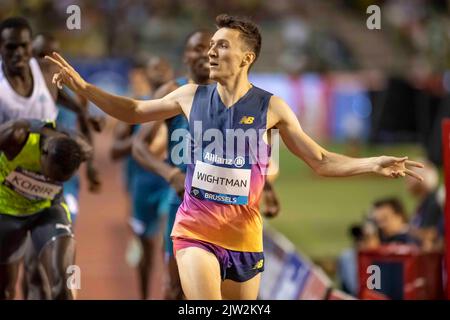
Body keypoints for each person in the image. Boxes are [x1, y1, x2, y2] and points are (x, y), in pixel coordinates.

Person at [46, 13, 424, 300]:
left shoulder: (271, 107)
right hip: (194, 230)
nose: (211, 50)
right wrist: (85, 88)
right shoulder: (189, 96)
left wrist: (372, 163)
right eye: (211, 45)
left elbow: (321, 160)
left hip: (245, 240)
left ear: (247, 57)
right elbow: (132, 110)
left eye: (222, 45)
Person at [132, 29, 280, 299]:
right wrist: (170, 174)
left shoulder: (236, 94)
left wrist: (268, 186)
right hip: (185, 201)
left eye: (209, 47)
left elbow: (256, 152)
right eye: (196, 48)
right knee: (175, 287)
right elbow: (138, 144)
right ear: (185, 57)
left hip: (234, 207)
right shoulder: (176, 92)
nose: (203, 54)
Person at [0, 119, 92, 299]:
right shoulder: (17, 138)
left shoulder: (80, 148)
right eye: (48, 174)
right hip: (6, 212)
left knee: (65, 283)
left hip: (47, 211)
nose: (47, 179)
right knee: (5, 290)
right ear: (44, 153)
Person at [110, 56, 173, 299]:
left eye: (163, 66)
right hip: (143, 188)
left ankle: (173, 288)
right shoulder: (136, 107)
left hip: (171, 184)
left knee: (171, 239)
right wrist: (140, 142)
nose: (159, 70)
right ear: (146, 75)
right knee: (146, 250)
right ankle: (145, 294)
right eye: (153, 67)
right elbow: (115, 151)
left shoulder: (182, 105)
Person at [405, 159, 444, 251]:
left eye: (410, 175)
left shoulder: (434, 201)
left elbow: (432, 234)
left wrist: (405, 229)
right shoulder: (424, 202)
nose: (406, 180)